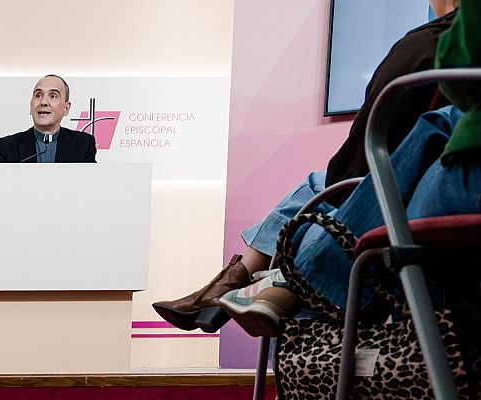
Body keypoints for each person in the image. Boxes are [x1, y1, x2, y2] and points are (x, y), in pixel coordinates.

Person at [213, 0, 481, 338]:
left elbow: (463, 72)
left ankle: (298, 283)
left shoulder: (419, 46)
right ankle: (295, 280)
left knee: (421, 160)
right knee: (424, 138)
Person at [154, 0, 459, 336]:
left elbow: (352, 170)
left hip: (422, 200)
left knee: (319, 199)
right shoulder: (476, 53)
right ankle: (246, 284)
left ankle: (261, 284)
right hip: (438, 184)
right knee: (318, 188)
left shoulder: (426, 48)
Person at [0, 75, 96, 163]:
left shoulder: (84, 145)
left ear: (66, 108)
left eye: (53, 96)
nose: (43, 102)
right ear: (31, 106)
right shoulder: (6, 147)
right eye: (38, 95)